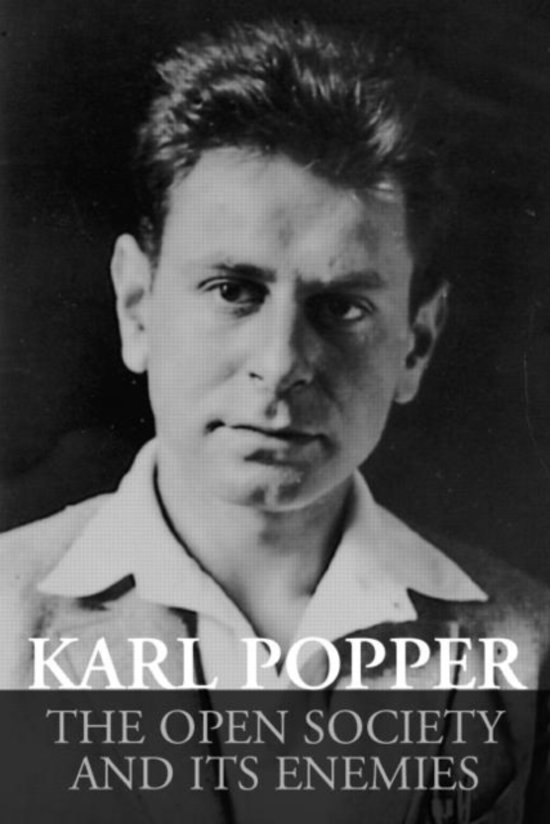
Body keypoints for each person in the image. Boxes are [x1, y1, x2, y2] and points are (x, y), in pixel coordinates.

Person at [1, 17, 549, 822]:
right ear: (137, 306)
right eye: (233, 290)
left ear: (417, 343)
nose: (283, 360)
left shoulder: (526, 653)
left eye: (342, 307)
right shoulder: (5, 615)